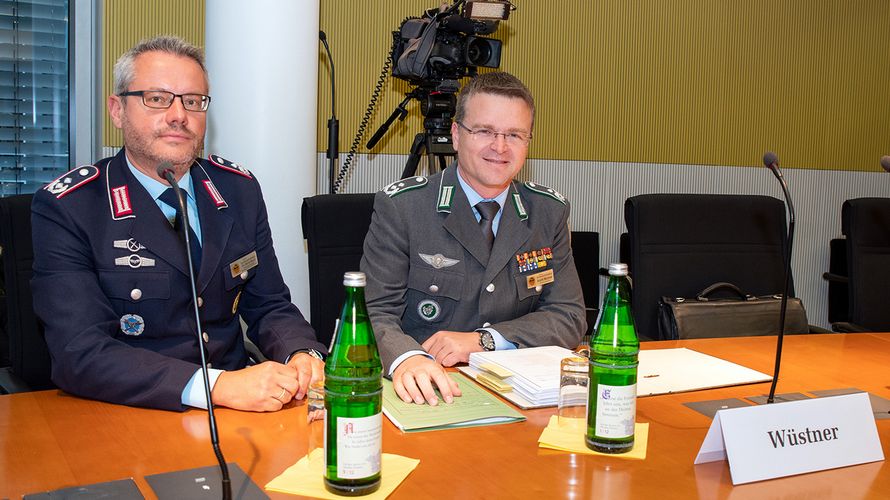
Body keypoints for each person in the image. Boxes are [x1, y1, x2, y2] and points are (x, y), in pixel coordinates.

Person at [30, 36, 325, 412]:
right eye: (156, 98)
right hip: (129, 410)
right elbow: (81, 352)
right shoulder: (71, 206)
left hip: (241, 409)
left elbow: (269, 305)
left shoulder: (238, 190)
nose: (178, 115)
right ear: (117, 110)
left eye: (192, 101)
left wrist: (300, 353)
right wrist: (217, 386)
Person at [360, 71, 586, 406]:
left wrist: (486, 340)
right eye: (484, 131)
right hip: (429, 390)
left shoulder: (547, 212)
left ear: (528, 143)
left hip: (517, 392)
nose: (500, 147)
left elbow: (568, 314)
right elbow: (373, 312)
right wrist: (407, 358)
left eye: (514, 134)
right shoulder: (404, 208)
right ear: (455, 134)